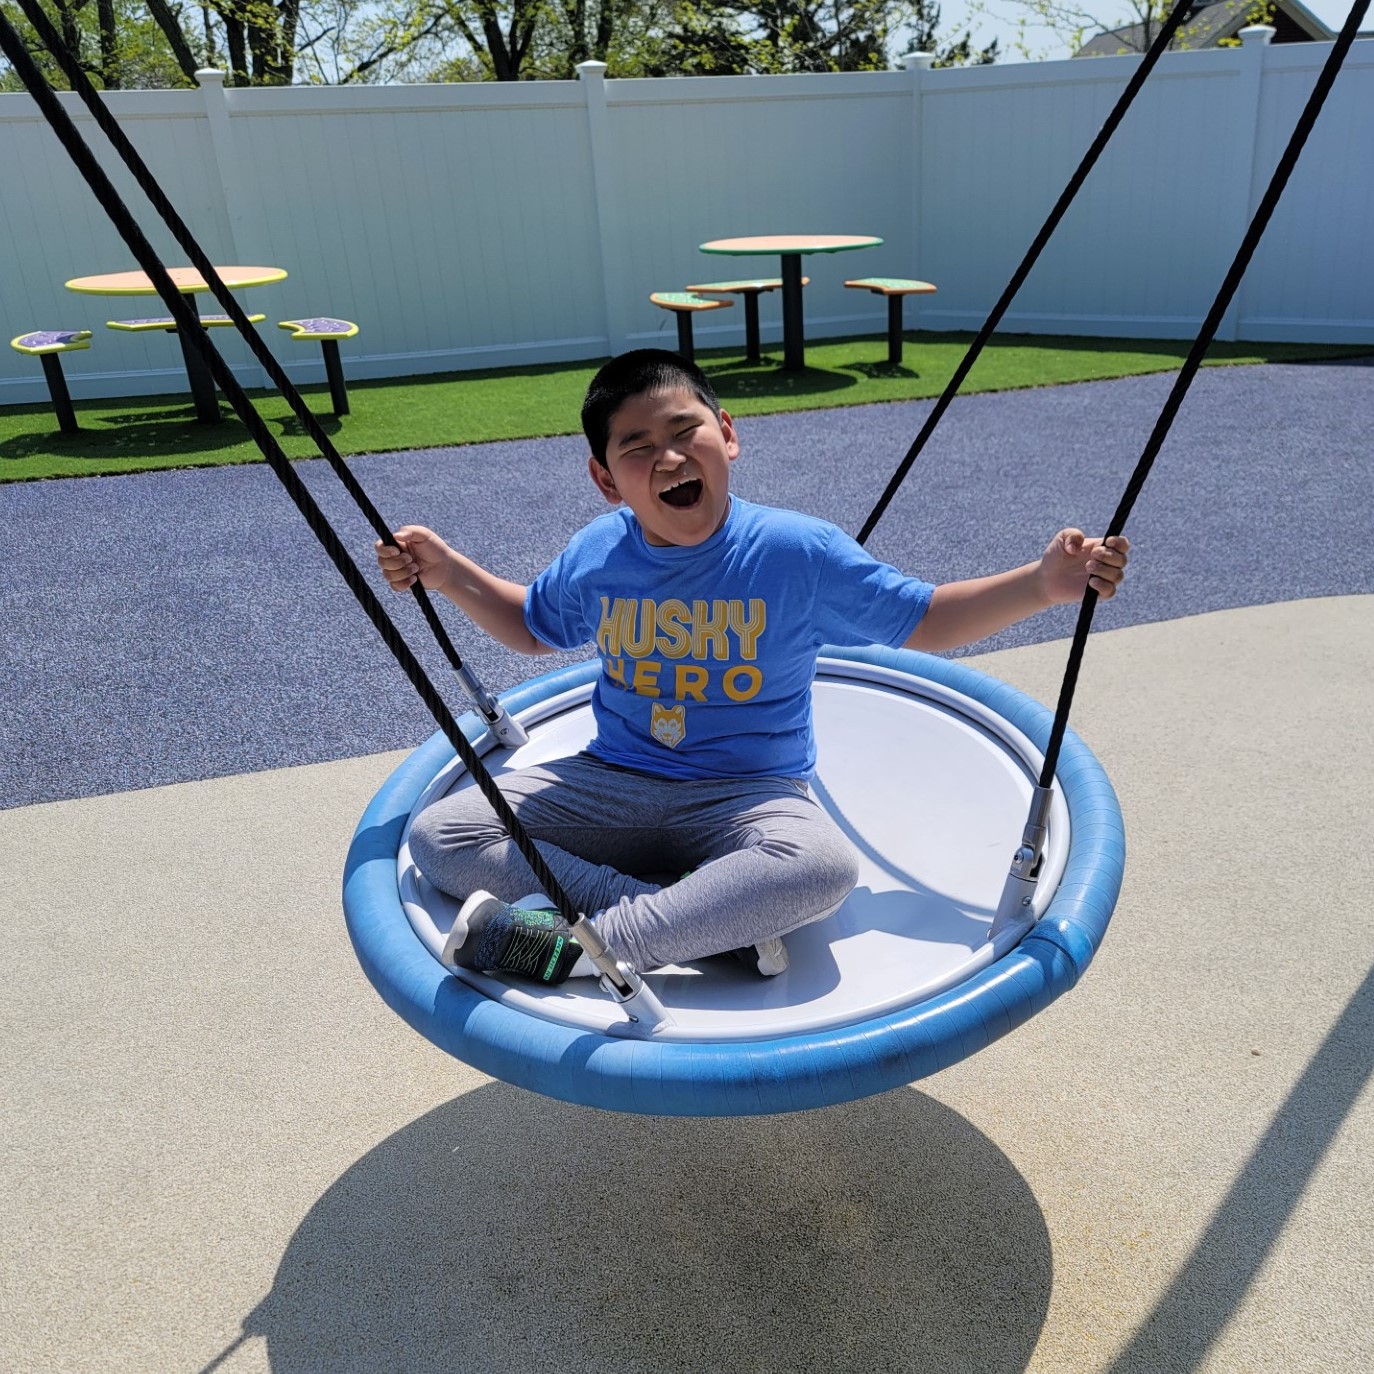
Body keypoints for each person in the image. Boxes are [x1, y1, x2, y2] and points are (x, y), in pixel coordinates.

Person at [376, 349, 1129, 987]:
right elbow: (532, 626)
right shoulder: (599, 552)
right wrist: (448, 573)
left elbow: (924, 618)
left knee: (823, 868)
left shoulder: (793, 551)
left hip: (747, 797)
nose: (668, 457)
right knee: (445, 835)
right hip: (613, 781)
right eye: (637, 448)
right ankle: (704, 924)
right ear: (607, 479)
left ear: (727, 435)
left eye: (684, 431)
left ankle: (583, 950)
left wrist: (1042, 585)